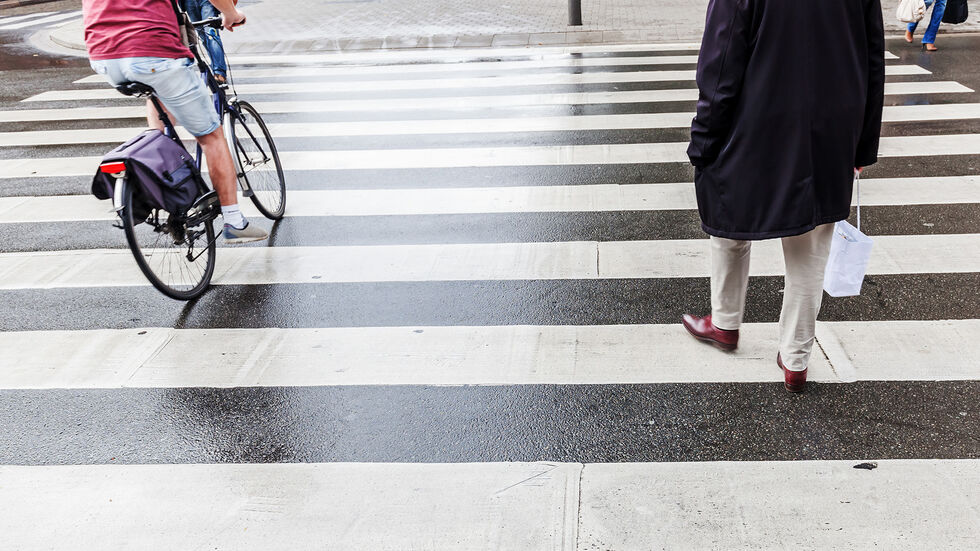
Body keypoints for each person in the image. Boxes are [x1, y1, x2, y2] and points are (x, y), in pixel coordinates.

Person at [682, 0, 885, 393]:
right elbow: (872, 57)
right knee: (810, 246)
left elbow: (721, 61)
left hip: (756, 121)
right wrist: (862, 145)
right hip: (830, 127)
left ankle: (724, 323)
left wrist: (703, 138)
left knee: (728, 214)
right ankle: (795, 360)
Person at [82, 0, 268, 243]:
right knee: (211, 138)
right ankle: (234, 222)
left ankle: (162, 166)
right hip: (152, 50)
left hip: (104, 57)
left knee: (157, 96)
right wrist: (231, 13)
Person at [182, 0, 229, 84]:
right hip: (189, 2)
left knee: (211, 35)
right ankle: (217, 69)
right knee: (204, 37)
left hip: (207, 1)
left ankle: (219, 72)